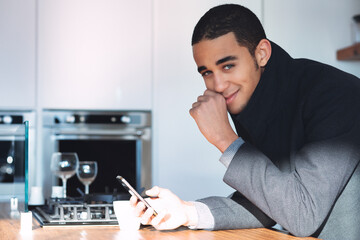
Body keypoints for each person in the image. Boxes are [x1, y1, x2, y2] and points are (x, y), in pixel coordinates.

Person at [130, 4, 360, 239]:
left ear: (261, 53)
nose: (218, 85)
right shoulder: (258, 96)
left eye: (228, 65)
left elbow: (302, 213)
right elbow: (272, 200)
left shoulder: (335, 94)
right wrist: (187, 212)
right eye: (207, 72)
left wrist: (225, 140)